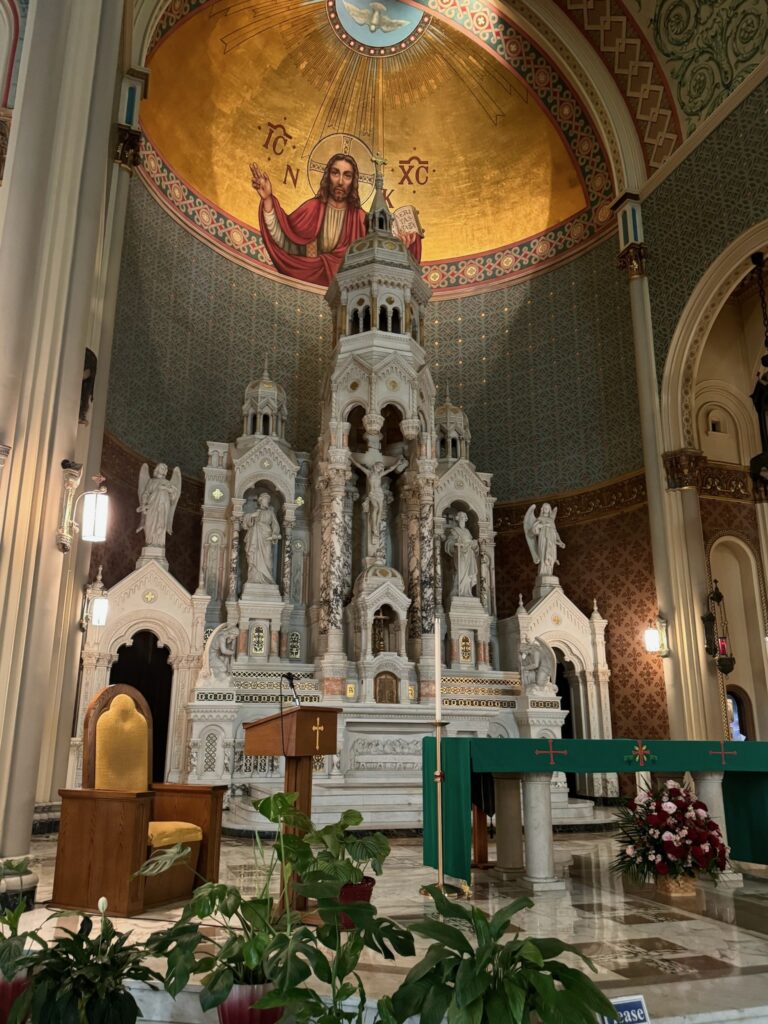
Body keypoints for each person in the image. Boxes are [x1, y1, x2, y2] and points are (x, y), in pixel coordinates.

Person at [250, 153, 421, 287]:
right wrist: (267, 200)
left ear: (353, 181)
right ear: (327, 176)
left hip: (351, 288)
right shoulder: (312, 208)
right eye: (335, 173)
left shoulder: (361, 219)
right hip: (309, 276)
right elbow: (285, 238)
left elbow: (377, 261)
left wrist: (403, 244)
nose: (340, 181)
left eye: (347, 176)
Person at [136, 462, 181, 547]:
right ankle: (149, 542)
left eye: (164, 468)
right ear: (157, 469)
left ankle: (159, 543)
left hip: (164, 505)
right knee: (149, 523)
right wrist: (144, 504)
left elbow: (173, 497)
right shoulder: (151, 481)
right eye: (161, 468)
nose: (163, 470)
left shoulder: (168, 483)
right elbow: (145, 493)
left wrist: (166, 488)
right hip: (152, 504)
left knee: (161, 523)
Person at [243, 492, 281, 584]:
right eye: (265, 499)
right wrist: (252, 516)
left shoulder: (271, 513)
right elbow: (245, 525)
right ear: (260, 501)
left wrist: (275, 534)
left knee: (267, 558)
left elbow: (275, 525)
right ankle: (253, 579)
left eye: (268, 500)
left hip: (266, 537)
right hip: (255, 537)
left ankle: (267, 579)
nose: (267, 501)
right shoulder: (255, 512)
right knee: (254, 556)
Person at [523, 502, 565, 576]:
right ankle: (542, 573)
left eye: (548, 508)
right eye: (545, 508)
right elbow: (533, 530)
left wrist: (560, 541)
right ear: (542, 509)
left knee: (551, 557)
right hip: (543, 539)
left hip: (552, 539)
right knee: (543, 555)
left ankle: (549, 573)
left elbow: (555, 531)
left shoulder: (551, 520)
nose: (546, 509)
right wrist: (543, 525)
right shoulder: (539, 518)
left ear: (549, 510)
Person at [444, 511, 478, 598]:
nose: (462, 518)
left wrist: (474, 544)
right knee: (460, 572)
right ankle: (457, 591)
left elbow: (473, 545)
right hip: (459, 554)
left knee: (467, 575)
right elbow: (448, 543)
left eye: (464, 516)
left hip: (469, 555)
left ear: (466, 519)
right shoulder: (454, 531)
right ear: (457, 518)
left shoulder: (467, 531)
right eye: (461, 516)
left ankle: (467, 592)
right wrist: (455, 544)